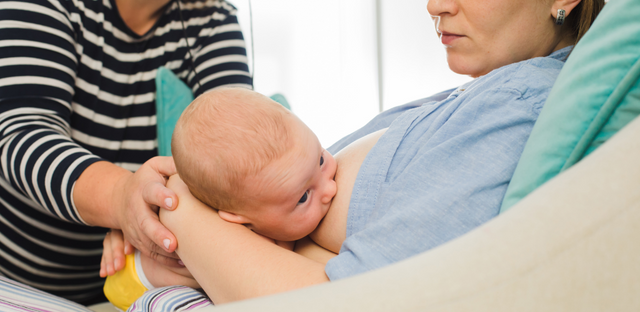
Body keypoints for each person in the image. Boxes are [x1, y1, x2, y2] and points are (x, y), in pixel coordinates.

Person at [130, 0, 605, 307]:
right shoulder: (475, 96)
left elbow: (353, 298)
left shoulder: (519, 108)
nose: (433, 5)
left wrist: (178, 208)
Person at [0, 0, 252, 305]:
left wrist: (146, 211)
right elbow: (22, 134)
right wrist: (124, 201)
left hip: (131, 288)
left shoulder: (213, 17)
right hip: (13, 279)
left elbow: (236, 160)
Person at [102, 87, 340, 311]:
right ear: (239, 219)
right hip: (130, 282)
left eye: (320, 160)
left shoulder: (267, 197)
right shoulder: (242, 245)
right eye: (303, 197)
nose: (330, 189)